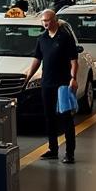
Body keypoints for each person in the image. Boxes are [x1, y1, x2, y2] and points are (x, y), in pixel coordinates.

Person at [23, 9, 79, 164]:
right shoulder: (42, 39)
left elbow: (74, 61)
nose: (45, 23)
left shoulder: (65, 38)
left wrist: (73, 78)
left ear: (55, 20)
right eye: (43, 21)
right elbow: (37, 59)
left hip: (63, 84)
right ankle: (53, 149)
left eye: (47, 20)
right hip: (47, 83)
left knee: (66, 118)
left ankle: (69, 153)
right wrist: (28, 76)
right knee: (49, 117)